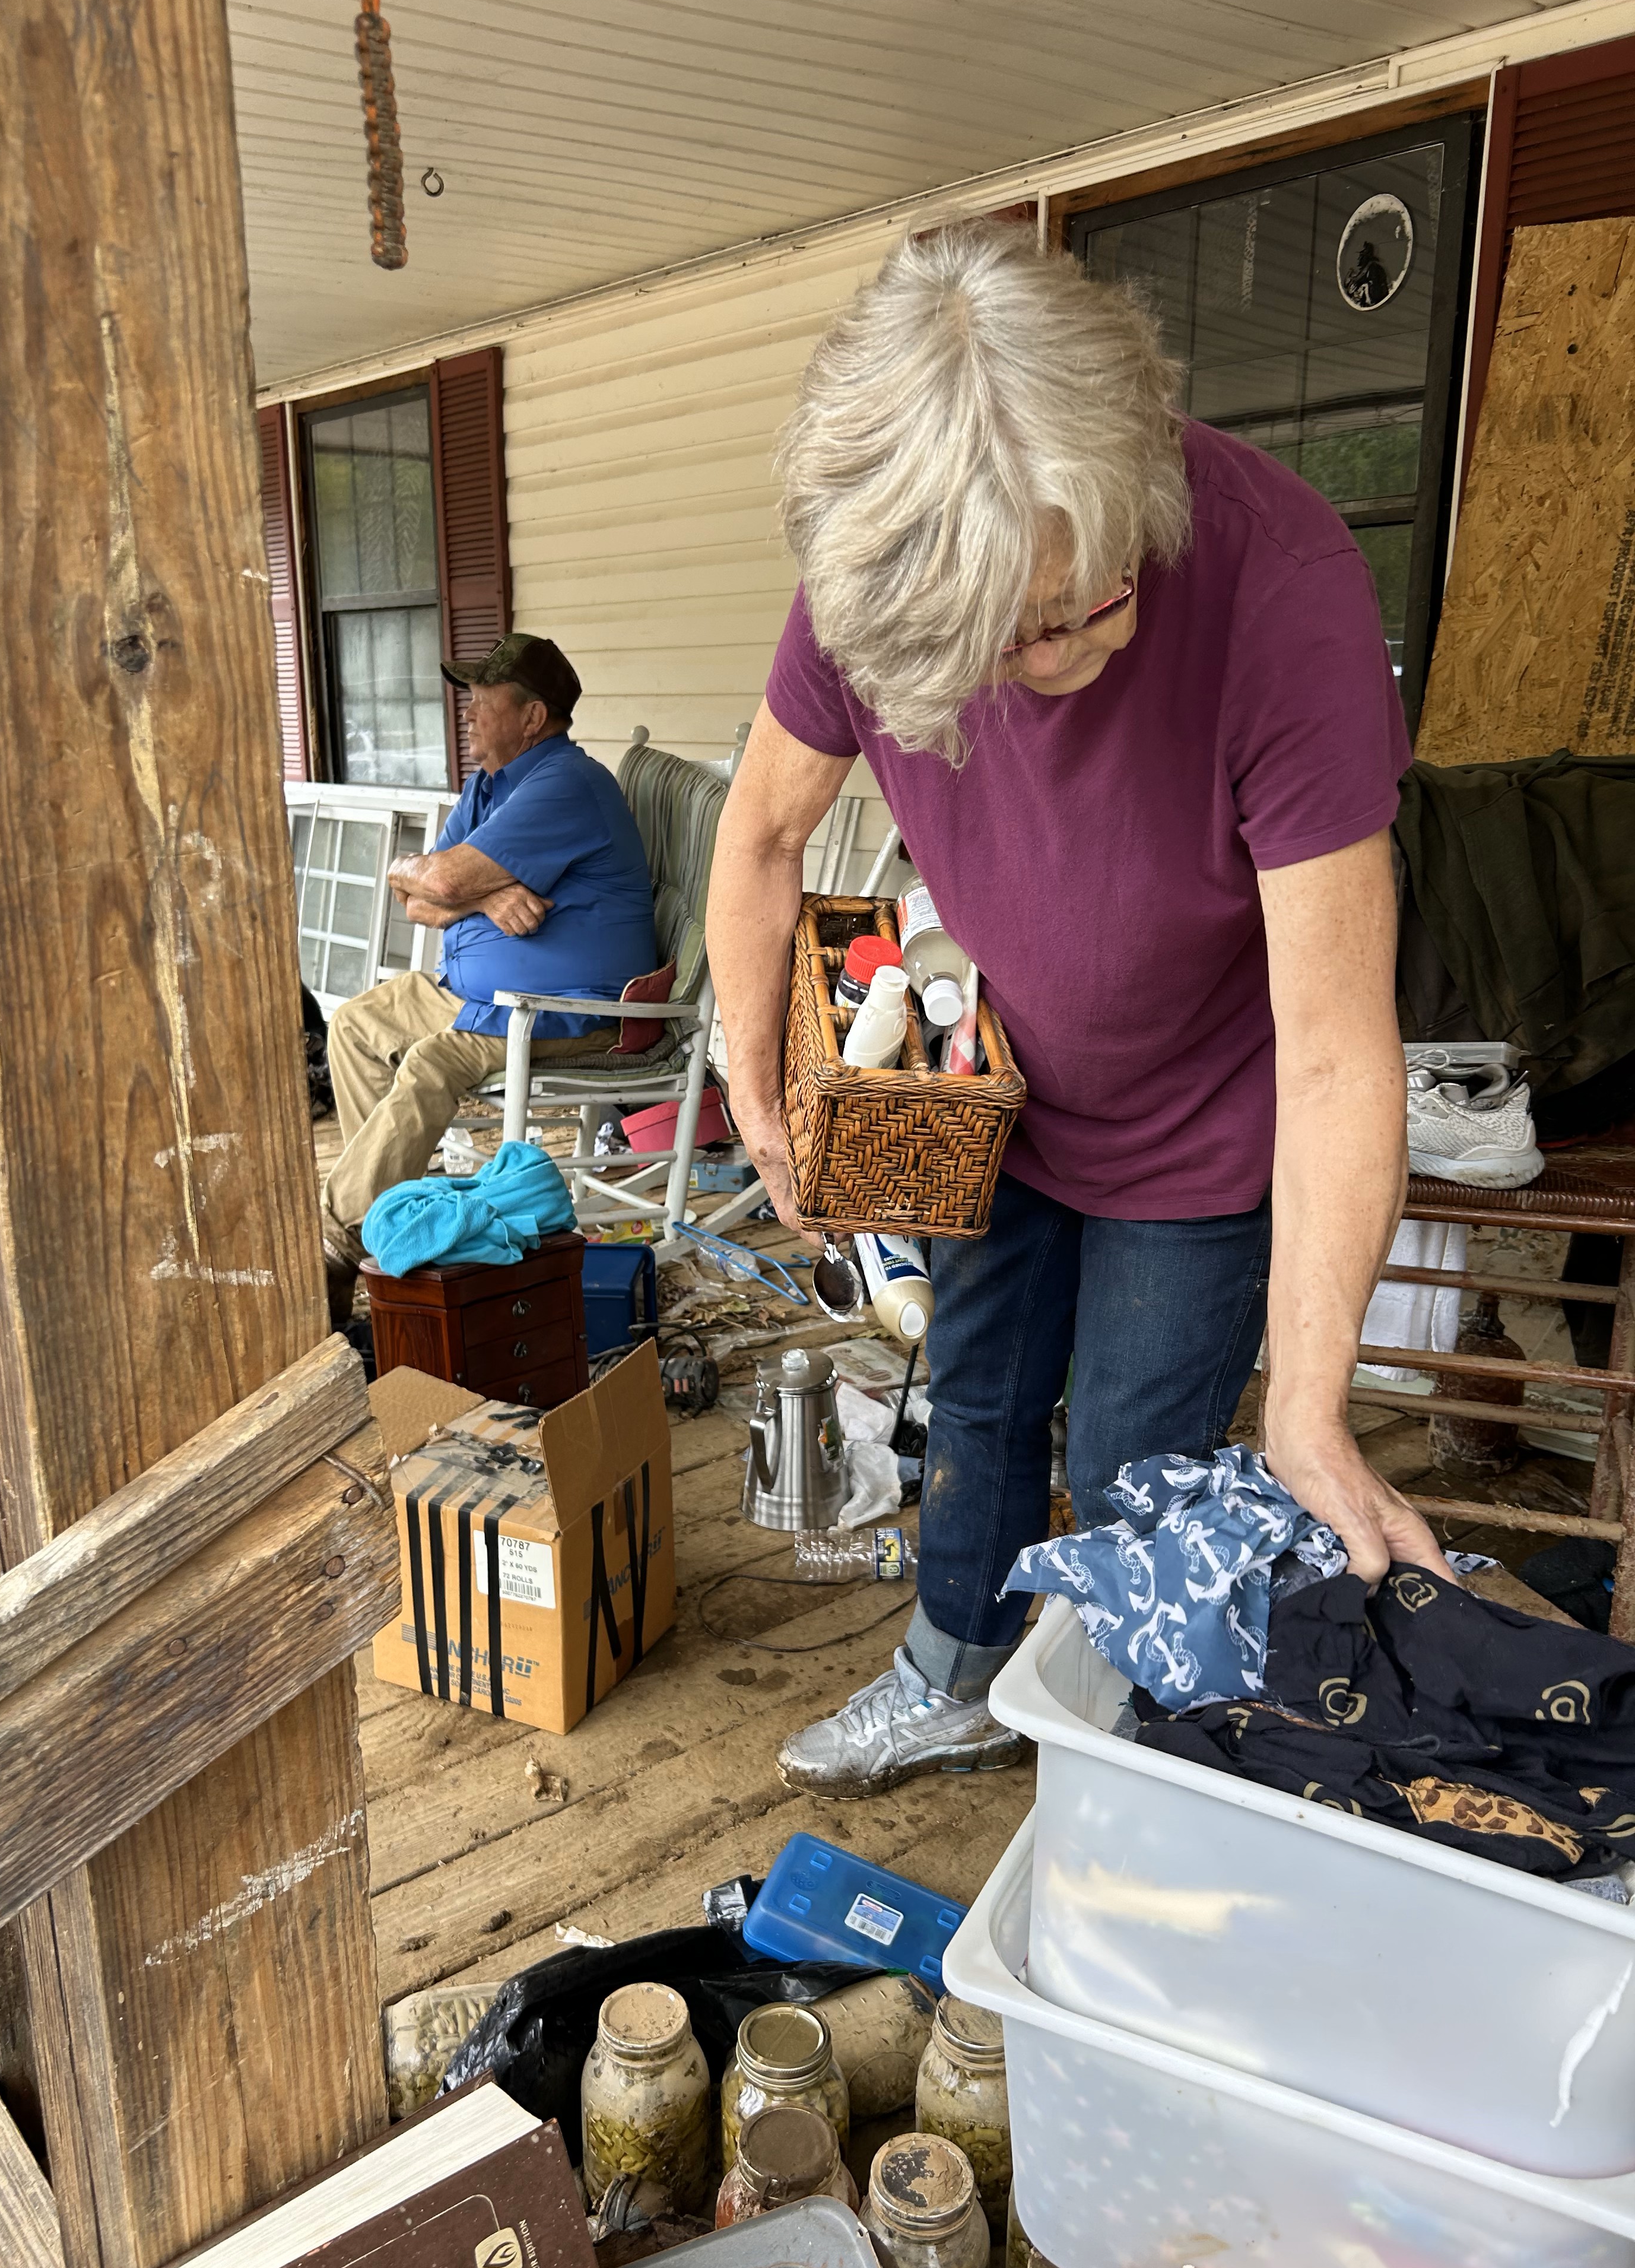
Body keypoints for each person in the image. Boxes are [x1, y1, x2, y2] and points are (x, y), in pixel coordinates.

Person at [706, 221, 1449, 1801]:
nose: (1076, 645)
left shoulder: (1284, 584)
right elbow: (762, 837)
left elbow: (1335, 1050)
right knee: (975, 1396)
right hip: (1000, 1094)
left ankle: (1111, 1772)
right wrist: (756, 1086)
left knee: (1131, 1466)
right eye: (1023, 636)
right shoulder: (877, 576)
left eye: (1095, 597)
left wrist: (1312, 1408)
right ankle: (952, 1678)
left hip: (1204, 1128)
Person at [319, 633, 656, 1318]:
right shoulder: (490, 786)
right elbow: (415, 897)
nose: (467, 711)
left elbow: (438, 881)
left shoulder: (566, 783)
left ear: (532, 717)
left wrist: (453, 888)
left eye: (482, 698)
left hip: (564, 1009)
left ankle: (336, 1245)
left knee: (431, 1063)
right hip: (476, 995)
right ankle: (389, 1218)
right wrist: (485, 899)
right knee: (355, 1026)